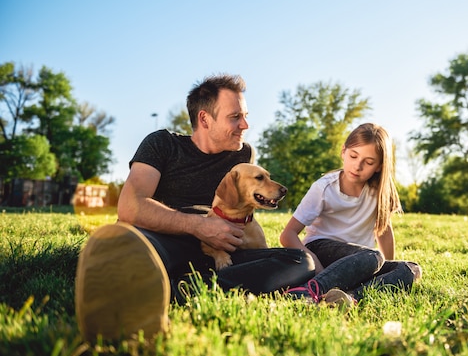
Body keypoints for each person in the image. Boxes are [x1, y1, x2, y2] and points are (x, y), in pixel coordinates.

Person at [75, 74, 315, 341]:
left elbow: (246, 207)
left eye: (245, 115)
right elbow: (130, 206)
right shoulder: (162, 144)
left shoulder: (242, 156)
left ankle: (187, 288)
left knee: (298, 260)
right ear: (204, 119)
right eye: (235, 117)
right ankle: (121, 290)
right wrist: (199, 226)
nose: (245, 125)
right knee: (134, 247)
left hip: (224, 251)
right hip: (170, 240)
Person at [280, 123, 422, 305]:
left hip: (361, 262)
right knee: (374, 256)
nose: (357, 166)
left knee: (410, 269)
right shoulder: (324, 188)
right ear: (343, 152)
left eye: (369, 162)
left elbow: (383, 231)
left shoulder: (378, 192)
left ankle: (350, 297)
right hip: (322, 251)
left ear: (379, 166)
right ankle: (312, 289)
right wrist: (314, 261)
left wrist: (386, 270)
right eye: (353, 156)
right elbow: (287, 235)